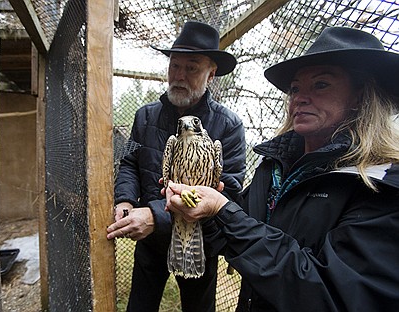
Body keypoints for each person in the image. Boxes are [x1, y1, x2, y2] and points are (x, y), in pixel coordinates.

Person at [164, 26, 399, 311]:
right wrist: (204, 212)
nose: (299, 97)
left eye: (321, 84)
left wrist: (224, 211)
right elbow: (235, 239)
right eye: (295, 88)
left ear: (362, 96)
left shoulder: (381, 184)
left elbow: (333, 295)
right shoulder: (273, 167)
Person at [106, 21, 246, 312]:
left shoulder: (228, 126)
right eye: (174, 66)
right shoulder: (144, 117)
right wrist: (125, 199)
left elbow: (228, 191)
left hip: (198, 241)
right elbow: (129, 161)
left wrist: (157, 215)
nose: (179, 76)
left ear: (211, 73)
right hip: (151, 243)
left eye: (192, 67)